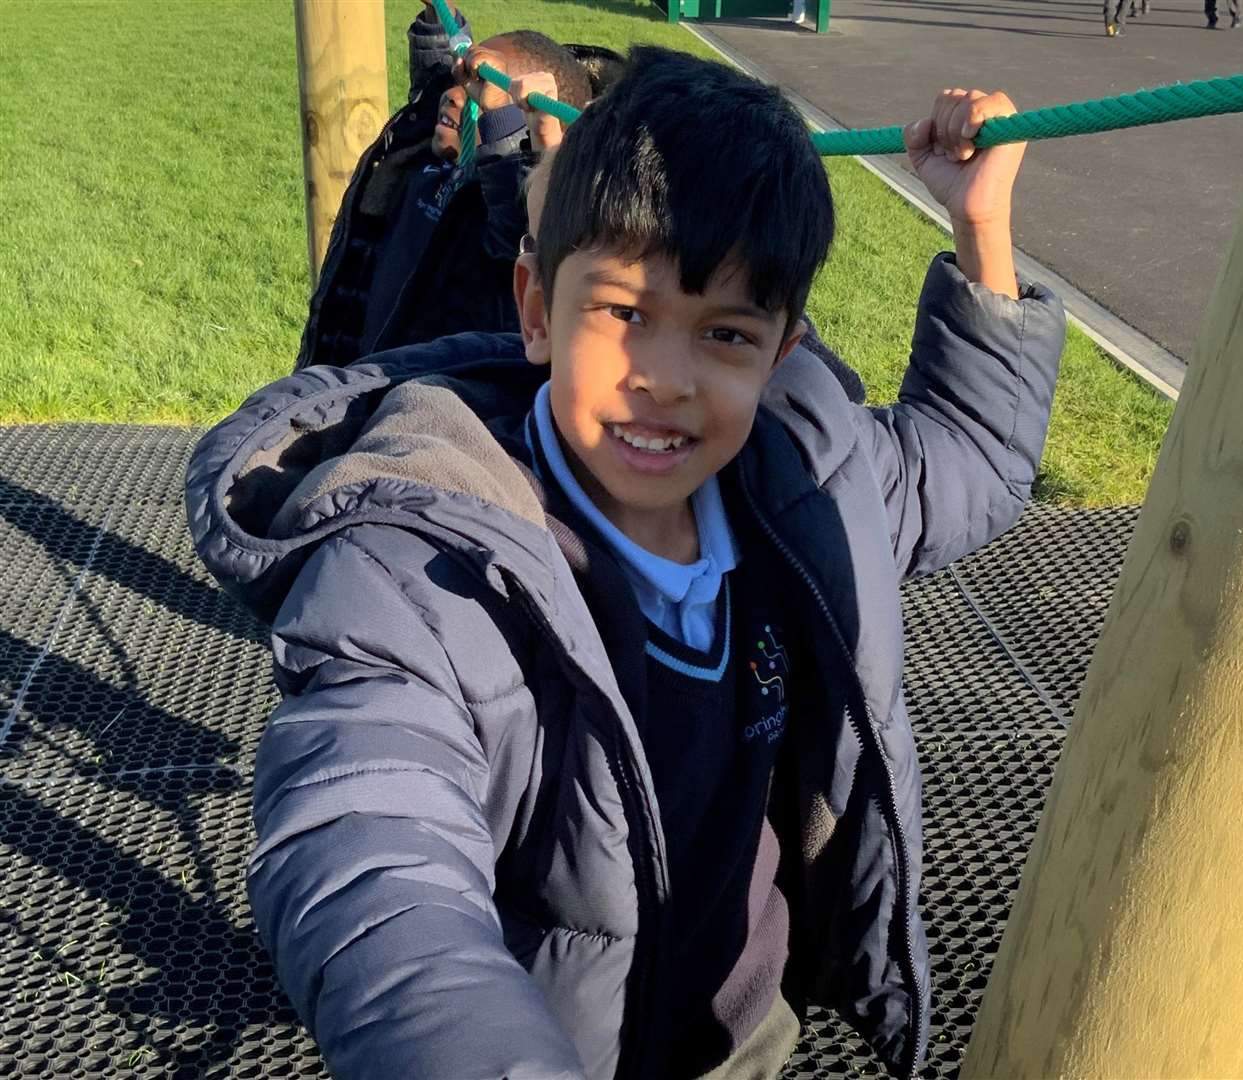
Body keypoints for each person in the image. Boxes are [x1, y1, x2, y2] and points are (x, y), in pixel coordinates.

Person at [187, 46, 1065, 1080]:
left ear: (782, 353)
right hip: (558, 1044)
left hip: (741, 1036)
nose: (665, 380)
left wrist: (981, 227)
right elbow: (371, 853)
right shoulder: (423, 569)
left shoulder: (798, 487)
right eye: (622, 313)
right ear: (533, 309)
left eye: (726, 334)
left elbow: (968, 462)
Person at [294, 2, 600, 369]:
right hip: (347, 363)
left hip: (405, 395)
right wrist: (439, 17)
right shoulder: (432, 155)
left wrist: (506, 118)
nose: (457, 95)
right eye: (464, 82)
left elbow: (521, 195)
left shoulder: (505, 217)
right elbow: (435, 84)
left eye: (480, 93)